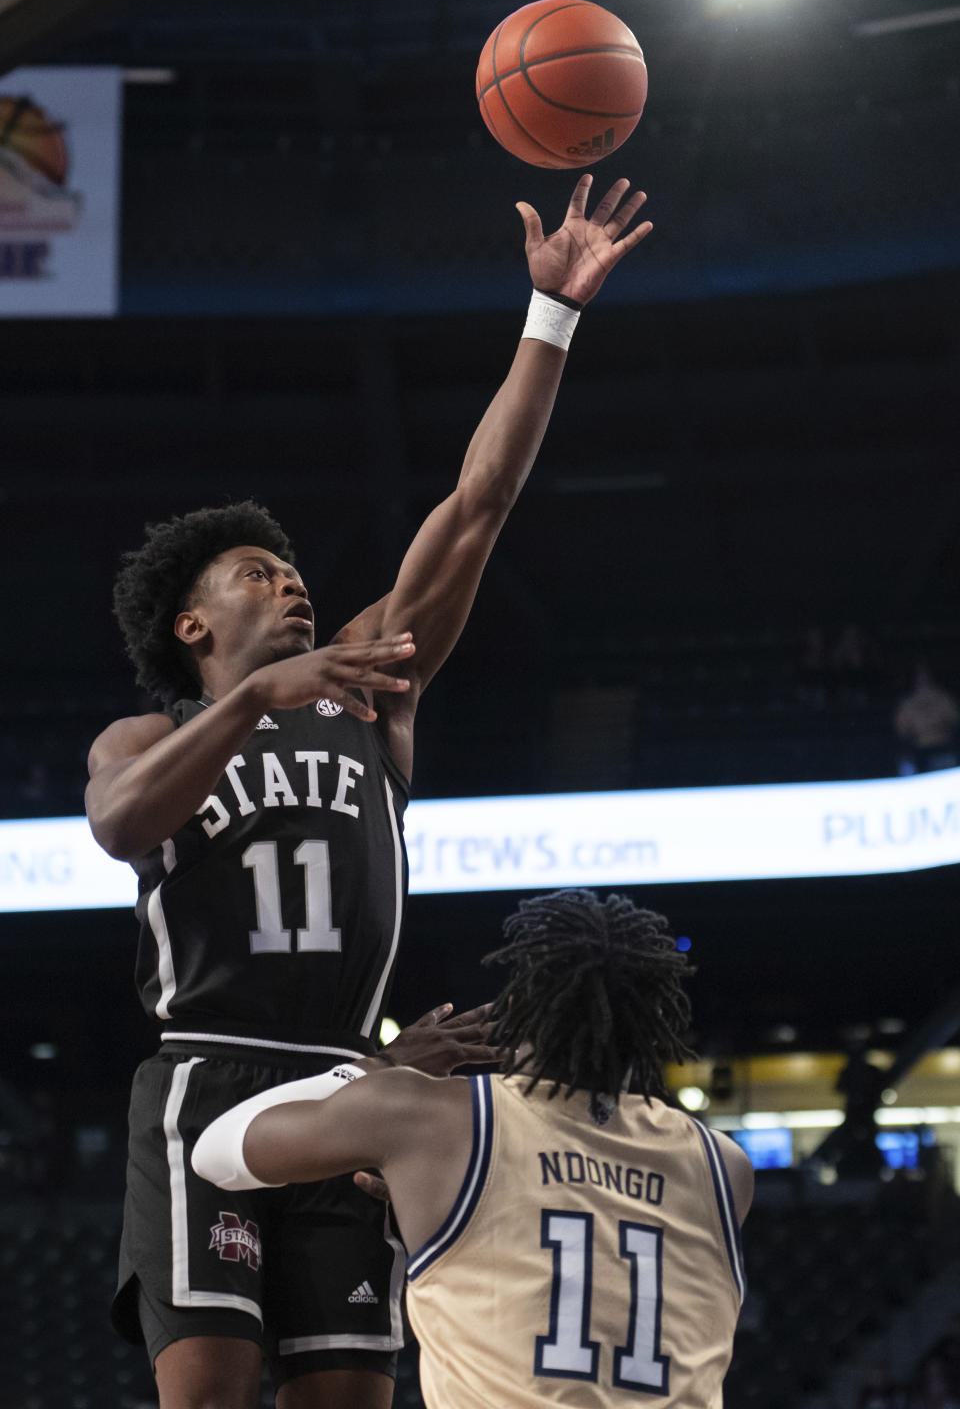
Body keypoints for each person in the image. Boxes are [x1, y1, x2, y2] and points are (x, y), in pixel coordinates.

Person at [85, 175, 654, 1409]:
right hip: (203, 1085)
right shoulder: (150, 731)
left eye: (294, 572)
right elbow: (122, 826)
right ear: (194, 621)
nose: (291, 585)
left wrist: (548, 315)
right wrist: (249, 705)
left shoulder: (365, 685)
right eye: (257, 573)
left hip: (353, 1095)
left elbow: (477, 507)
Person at [194, 889, 754, 1408]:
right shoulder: (723, 1167)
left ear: (520, 1008)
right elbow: (594, 1219)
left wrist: (379, 1067)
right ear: (651, 1026)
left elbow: (216, 1149)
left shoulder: (436, 1120)